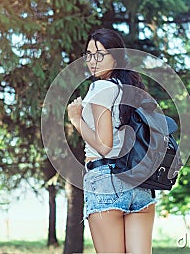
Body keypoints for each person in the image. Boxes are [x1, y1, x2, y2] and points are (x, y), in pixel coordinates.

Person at [67, 28, 156, 253]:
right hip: (140, 184)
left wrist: (77, 120)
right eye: (88, 54)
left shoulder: (99, 88)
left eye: (100, 54)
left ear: (115, 56)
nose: (92, 61)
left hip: (106, 181)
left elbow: (105, 146)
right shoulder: (131, 89)